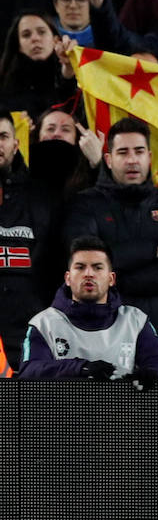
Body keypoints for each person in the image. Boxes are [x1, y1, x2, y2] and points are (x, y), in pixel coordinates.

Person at [63, 117, 158, 360]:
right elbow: (84, 263)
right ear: (108, 159)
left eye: (138, 151)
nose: (132, 160)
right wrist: (150, 251)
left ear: (149, 156)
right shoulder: (85, 204)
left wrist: (116, 279)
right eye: (123, 152)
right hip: (100, 338)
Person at [18, 235, 158, 387]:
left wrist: (153, 374)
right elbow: (30, 372)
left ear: (111, 279)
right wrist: (82, 368)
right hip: (65, 413)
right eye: (80, 267)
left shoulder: (135, 320)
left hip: (122, 412)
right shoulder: (44, 323)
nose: (88, 274)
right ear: (68, 278)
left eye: (97, 267)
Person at [0, 108, 56, 371]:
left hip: (29, 327)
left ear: (16, 142)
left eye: (2, 136)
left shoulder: (41, 194)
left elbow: (52, 258)